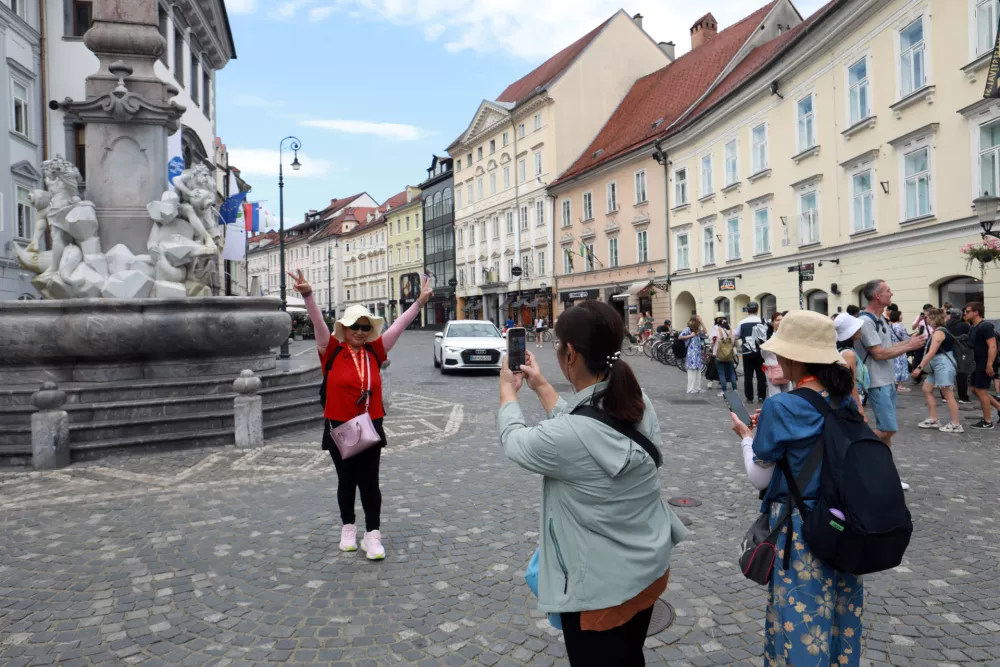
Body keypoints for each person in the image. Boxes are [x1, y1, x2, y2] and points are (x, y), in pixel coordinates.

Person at [499, 300, 687, 666]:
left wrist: (508, 392)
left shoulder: (570, 434)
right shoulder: (637, 400)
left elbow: (516, 442)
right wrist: (540, 386)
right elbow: (586, 426)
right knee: (631, 657)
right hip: (647, 571)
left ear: (570, 353)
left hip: (600, 593)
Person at [730, 311, 864, 667]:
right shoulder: (844, 398)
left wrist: (746, 437)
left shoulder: (781, 405)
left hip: (801, 529)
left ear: (792, 358)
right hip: (844, 522)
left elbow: (760, 477)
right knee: (840, 617)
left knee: (801, 620)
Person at [291, 268, 432, 560]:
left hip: (370, 424)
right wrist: (308, 296)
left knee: (369, 481)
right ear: (345, 328)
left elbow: (399, 327)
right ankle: (348, 527)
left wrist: (418, 303)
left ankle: (373, 534)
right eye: (355, 326)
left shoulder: (375, 350)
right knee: (346, 480)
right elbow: (318, 323)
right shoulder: (330, 349)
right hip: (339, 424)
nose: (359, 331)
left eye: (365, 327)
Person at [854, 280, 926, 451]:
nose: (891, 293)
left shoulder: (880, 319)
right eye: (888, 290)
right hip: (877, 382)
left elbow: (887, 347)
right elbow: (878, 353)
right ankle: (851, 442)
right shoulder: (866, 321)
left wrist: (909, 341)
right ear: (878, 296)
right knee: (888, 429)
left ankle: (885, 464)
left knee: (886, 428)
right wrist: (909, 346)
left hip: (887, 379)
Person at [912, 309, 962, 433]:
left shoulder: (939, 332)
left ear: (934, 318)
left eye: (928, 317)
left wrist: (919, 368)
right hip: (937, 365)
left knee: (948, 394)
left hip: (943, 365)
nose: (926, 319)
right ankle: (933, 419)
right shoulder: (938, 331)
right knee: (926, 389)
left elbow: (931, 352)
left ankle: (956, 424)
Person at [963, 302, 1000, 430]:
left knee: (981, 390)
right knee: (974, 389)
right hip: (976, 363)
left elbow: (993, 346)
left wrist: (989, 365)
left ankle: (987, 421)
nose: (965, 313)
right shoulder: (973, 327)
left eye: (967, 311)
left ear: (976, 312)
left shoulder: (985, 326)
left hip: (985, 363)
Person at [834, 313, 867, 416]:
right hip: (850, 400)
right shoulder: (849, 354)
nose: (860, 329)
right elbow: (850, 383)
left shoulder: (843, 350)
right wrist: (859, 407)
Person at [736, 302, 768, 404]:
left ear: (747, 310)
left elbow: (736, 335)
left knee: (748, 376)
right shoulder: (763, 321)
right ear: (757, 309)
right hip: (760, 353)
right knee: (761, 376)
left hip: (747, 353)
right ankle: (761, 397)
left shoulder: (742, 322)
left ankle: (749, 397)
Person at [763, 311, 793, 397]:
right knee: (775, 395)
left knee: (788, 394)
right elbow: (764, 354)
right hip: (773, 369)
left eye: (782, 320)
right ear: (772, 322)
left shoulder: (787, 337)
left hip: (786, 369)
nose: (780, 322)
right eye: (777, 320)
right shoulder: (768, 337)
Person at [946, 307, 972, 403]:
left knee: (948, 373)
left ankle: (945, 396)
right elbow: (970, 337)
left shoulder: (946, 325)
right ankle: (963, 397)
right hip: (961, 352)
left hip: (948, 351)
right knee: (962, 374)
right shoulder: (964, 326)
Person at [679, 315, 706, 394]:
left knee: (698, 370)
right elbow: (680, 337)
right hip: (691, 353)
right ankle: (690, 388)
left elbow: (705, 331)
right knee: (691, 370)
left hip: (697, 352)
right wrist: (690, 335)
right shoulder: (688, 329)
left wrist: (702, 323)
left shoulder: (698, 329)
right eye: (699, 319)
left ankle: (697, 387)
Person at [712, 317, 738, 397]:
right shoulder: (732, 331)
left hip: (719, 355)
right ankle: (735, 389)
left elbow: (712, 341)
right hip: (729, 355)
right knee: (731, 373)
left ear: (719, 324)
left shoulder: (717, 331)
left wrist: (712, 348)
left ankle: (724, 390)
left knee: (721, 373)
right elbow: (736, 342)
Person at [888, 310, 911, 393]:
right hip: (901, 348)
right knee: (901, 367)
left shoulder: (889, 326)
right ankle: (900, 386)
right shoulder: (900, 326)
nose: (902, 317)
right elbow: (906, 338)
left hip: (892, 348)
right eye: (901, 315)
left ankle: (894, 384)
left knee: (894, 367)